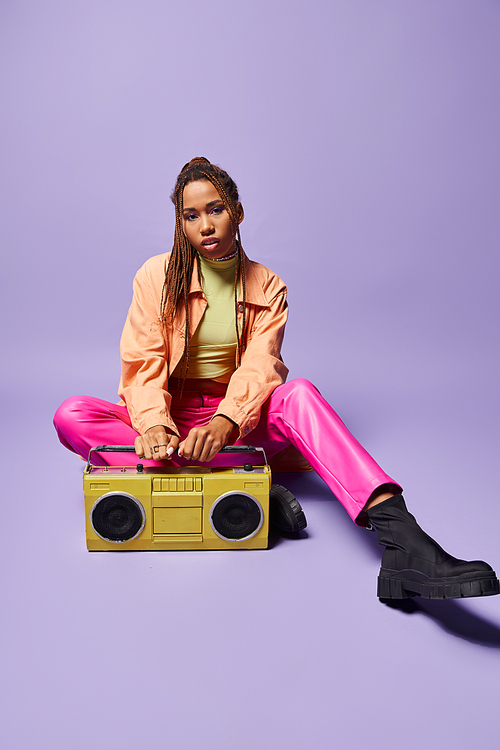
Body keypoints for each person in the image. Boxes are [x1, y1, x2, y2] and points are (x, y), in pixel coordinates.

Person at [54, 157, 499, 601]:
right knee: (72, 415)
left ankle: (405, 544)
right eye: (191, 216)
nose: (205, 225)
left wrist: (227, 420)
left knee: (300, 394)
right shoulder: (156, 276)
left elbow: (261, 366)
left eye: (216, 210)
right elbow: (142, 359)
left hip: (239, 425)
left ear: (238, 212)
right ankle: (248, 485)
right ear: (181, 223)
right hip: (171, 423)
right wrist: (152, 422)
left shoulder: (268, 286)